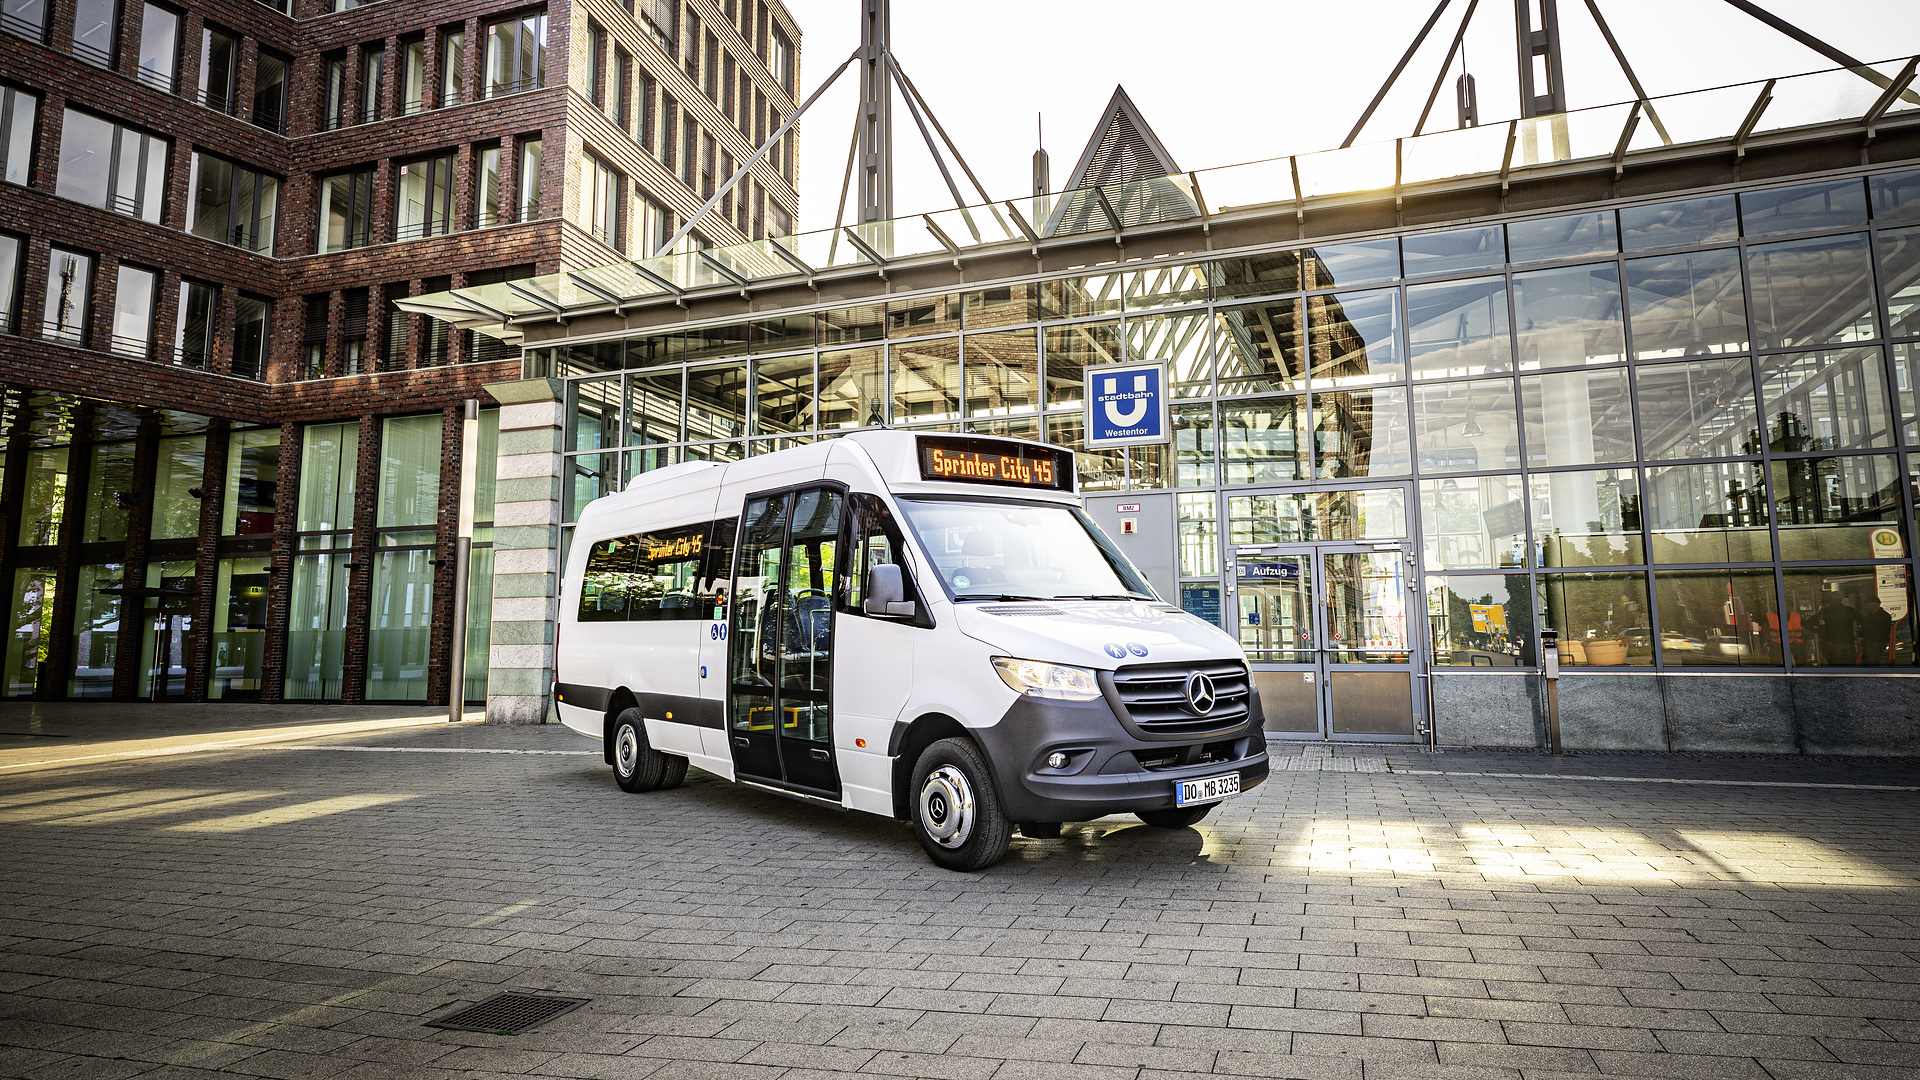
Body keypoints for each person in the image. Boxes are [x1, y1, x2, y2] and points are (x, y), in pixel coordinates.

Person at [1814, 593, 1861, 666]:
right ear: (1842, 599)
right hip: (1848, 642)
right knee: (1850, 665)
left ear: (1831, 600)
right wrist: (1860, 635)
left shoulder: (1825, 612)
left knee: (1836, 666)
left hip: (1833, 642)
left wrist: (1821, 634)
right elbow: (1863, 620)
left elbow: (1811, 623)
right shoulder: (1849, 610)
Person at [1859, 596, 1895, 666]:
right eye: (1867, 605)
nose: (1867, 607)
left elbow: (1874, 629)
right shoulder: (1872, 615)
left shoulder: (1883, 616)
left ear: (1876, 605)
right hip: (1872, 642)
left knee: (1871, 661)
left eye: (1869, 605)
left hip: (1876, 642)